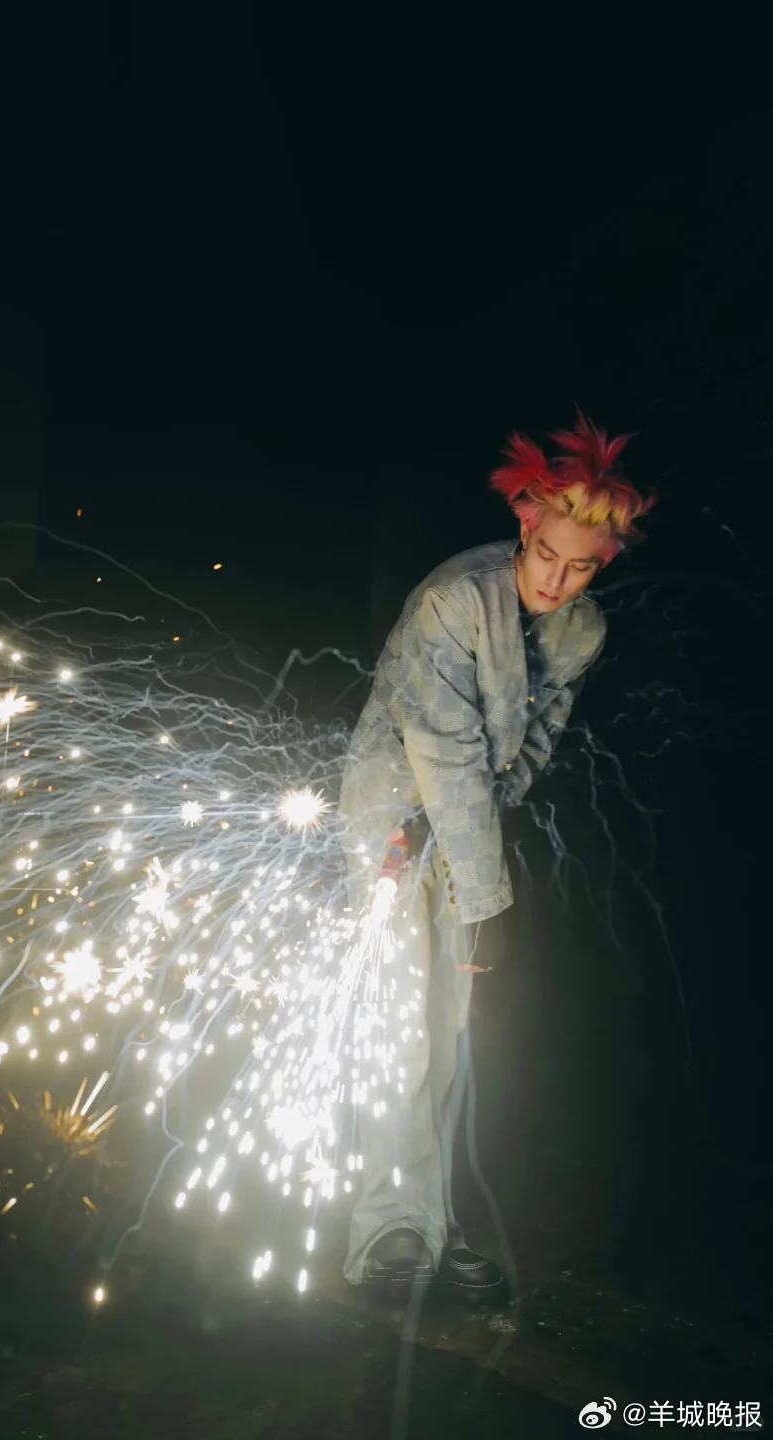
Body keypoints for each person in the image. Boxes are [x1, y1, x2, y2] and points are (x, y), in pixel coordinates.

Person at [338, 413, 654, 1303]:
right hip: (393, 820)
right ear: (525, 528)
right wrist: (487, 901)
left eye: (579, 566)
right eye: (546, 554)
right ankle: (386, 1233)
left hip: (468, 835)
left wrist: (481, 869)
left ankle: (431, 1226)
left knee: (449, 1033)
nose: (556, 579)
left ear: (602, 564)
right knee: (404, 1029)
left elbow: (530, 747)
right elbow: (443, 755)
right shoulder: (452, 600)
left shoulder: (582, 633)